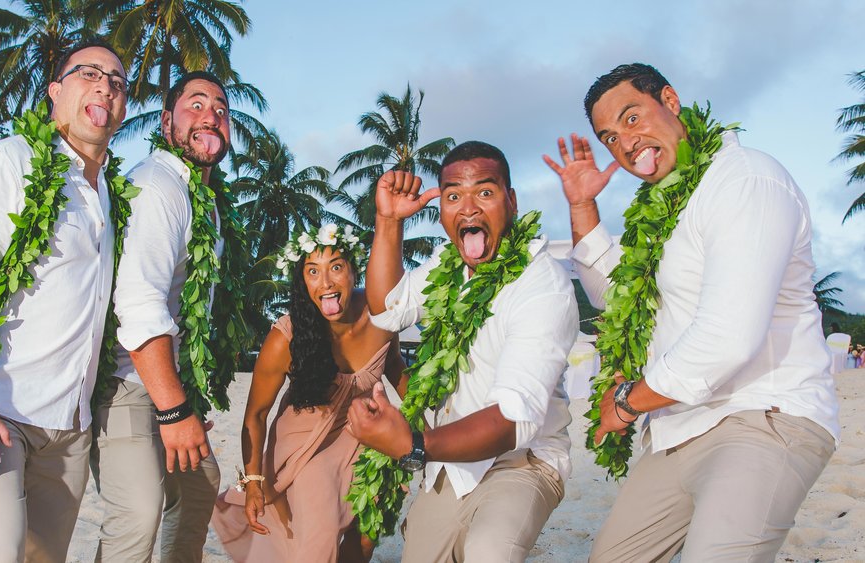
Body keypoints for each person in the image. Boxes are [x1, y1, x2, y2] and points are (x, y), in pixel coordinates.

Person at [544, 62, 840, 561]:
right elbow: (617, 297)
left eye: (632, 118)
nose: (626, 142)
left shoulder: (745, 179)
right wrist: (581, 208)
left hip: (764, 414)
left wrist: (625, 402)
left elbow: (729, 335)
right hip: (679, 428)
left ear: (671, 100)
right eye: (610, 137)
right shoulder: (665, 206)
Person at [0, 40, 128, 561]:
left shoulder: (110, 194)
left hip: (69, 428)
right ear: (56, 91)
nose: (106, 85)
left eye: (119, 81)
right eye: (89, 73)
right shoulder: (3, 162)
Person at [348, 141, 579, 562]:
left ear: (511, 201)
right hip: (449, 466)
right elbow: (387, 308)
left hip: (522, 462)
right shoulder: (446, 267)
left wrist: (413, 444)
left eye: (485, 193)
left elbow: (513, 418)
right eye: (453, 196)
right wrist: (387, 220)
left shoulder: (542, 285)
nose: (468, 208)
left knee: (489, 552)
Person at [90, 70, 248, 561]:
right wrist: (176, 411)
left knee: (201, 487)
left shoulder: (204, 200)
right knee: (137, 515)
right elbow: (140, 305)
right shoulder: (158, 186)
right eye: (195, 105)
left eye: (221, 110)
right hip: (128, 383)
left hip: (166, 381)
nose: (212, 116)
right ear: (165, 122)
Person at [211, 225, 408, 562]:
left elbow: (404, 378)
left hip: (367, 439)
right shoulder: (285, 337)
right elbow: (256, 414)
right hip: (306, 449)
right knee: (319, 539)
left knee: (363, 541)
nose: (326, 283)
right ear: (302, 281)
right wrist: (254, 481)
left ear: (353, 270)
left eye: (336, 267)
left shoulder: (381, 317)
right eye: (312, 272)